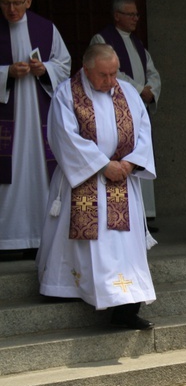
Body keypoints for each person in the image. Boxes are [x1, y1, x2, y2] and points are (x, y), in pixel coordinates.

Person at [37, 44, 156, 330]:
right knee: (86, 242)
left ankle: (126, 308)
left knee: (123, 248)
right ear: (86, 70)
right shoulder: (67, 93)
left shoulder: (127, 92)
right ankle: (69, 288)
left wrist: (128, 164)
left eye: (114, 73)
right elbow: (64, 136)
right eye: (103, 75)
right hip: (84, 181)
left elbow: (143, 132)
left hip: (123, 184)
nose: (111, 80)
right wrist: (103, 165)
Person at [0, 0, 71, 256]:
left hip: (39, 113)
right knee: (10, 176)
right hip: (8, 117)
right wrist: (6, 73)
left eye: (17, 3)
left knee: (41, 174)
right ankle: (8, 240)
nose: (12, 9)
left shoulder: (46, 28)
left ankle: (42, 237)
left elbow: (64, 65)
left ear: (28, 2)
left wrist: (45, 70)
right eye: (6, 3)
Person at [91, 0, 161, 230]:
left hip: (138, 107)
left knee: (141, 152)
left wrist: (151, 90)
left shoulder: (137, 43)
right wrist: (140, 90)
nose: (135, 19)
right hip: (116, 107)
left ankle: (145, 214)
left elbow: (152, 71)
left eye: (137, 14)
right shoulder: (102, 39)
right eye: (130, 14)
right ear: (117, 15)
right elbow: (110, 72)